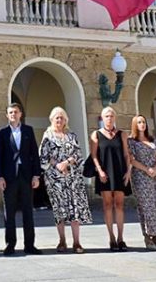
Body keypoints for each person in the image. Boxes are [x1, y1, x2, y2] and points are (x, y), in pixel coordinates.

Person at [38, 107, 91, 254]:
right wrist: (58, 165)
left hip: (73, 178)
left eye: (61, 118)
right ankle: (62, 240)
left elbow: (78, 155)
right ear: (52, 119)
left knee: (75, 209)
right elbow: (43, 157)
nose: (59, 120)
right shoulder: (47, 136)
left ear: (65, 120)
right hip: (55, 179)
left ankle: (77, 242)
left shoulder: (71, 135)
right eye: (57, 118)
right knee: (59, 210)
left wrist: (66, 163)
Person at [0, 103, 42, 256]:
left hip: (26, 176)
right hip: (9, 178)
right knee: (10, 212)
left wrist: (36, 175)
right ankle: (10, 244)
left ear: (20, 114)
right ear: (7, 115)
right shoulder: (2, 133)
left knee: (28, 211)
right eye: (10, 112)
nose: (13, 115)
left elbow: (34, 154)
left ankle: (30, 245)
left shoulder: (28, 131)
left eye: (15, 112)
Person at [91, 106, 132, 251]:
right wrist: (100, 171)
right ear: (102, 118)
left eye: (112, 116)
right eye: (107, 116)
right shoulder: (96, 134)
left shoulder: (122, 134)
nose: (109, 118)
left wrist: (128, 172)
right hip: (104, 173)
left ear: (115, 118)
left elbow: (127, 155)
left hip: (120, 172)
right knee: (107, 205)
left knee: (120, 205)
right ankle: (112, 238)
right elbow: (94, 155)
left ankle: (121, 238)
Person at [128, 115, 156, 251]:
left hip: (155, 177)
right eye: (139, 122)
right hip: (140, 177)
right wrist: (147, 169)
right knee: (146, 207)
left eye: (144, 122)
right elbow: (132, 160)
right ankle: (148, 237)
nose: (142, 124)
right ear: (135, 125)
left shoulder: (152, 140)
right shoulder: (132, 141)